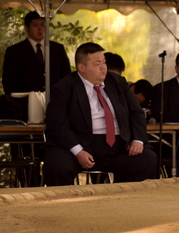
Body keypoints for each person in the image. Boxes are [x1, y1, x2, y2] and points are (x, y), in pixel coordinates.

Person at [43, 43, 158, 186]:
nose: (103, 67)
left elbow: (136, 112)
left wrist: (138, 140)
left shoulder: (117, 82)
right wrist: (78, 151)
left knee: (148, 159)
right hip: (81, 143)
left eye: (104, 62)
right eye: (98, 64)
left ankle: (130, 199)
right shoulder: (64, 87)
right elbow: (57, 123)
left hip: (118, 146)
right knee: (56, 163)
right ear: (81, 67)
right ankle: (65, 201)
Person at [2, 11, 71, 119]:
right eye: (35, 25)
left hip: (54, 103)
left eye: (43, 25)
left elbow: (66, 76)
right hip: (25, 104)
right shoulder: (15, 51)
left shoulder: (57, 49)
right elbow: (8, 80)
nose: (40, 28)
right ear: (27, 27)